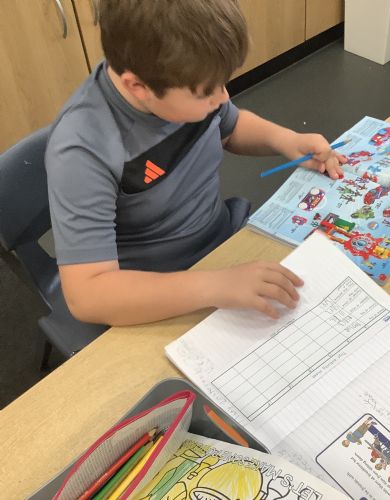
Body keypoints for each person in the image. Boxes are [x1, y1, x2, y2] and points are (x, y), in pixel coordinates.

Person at [45, 0, 346, 327]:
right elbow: (89, 296)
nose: (223, 97)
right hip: (154, 295)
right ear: (138, 87)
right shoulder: (82, 149)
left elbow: (229, 127)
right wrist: (215, 286)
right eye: (207, 92)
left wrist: (286, 141)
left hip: (221, 248)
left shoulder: (178, 79)